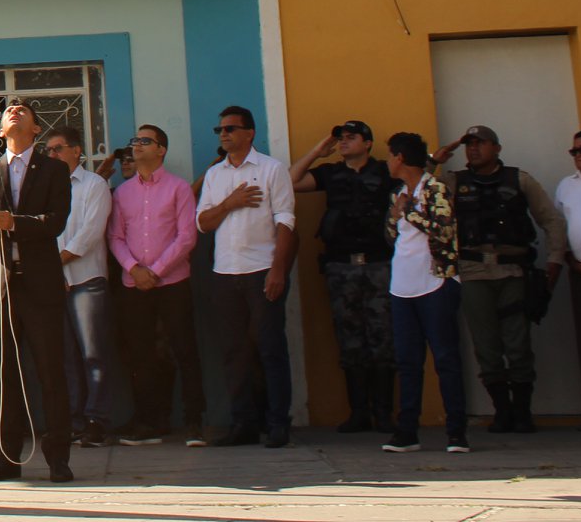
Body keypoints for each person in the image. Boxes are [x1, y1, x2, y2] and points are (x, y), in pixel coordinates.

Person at [431, 124, 569, 434]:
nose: (474, 149)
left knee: (518, 343)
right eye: (469, 145)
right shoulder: (454, 182)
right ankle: (502, 411)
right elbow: (421, 193)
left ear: (497, 148)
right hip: (473, 272)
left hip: (513, 272)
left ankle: (522, 412)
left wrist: (555, 261)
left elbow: (551, 220)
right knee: (486, 346)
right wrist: (434, 160)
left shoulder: (519, 180)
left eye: (481, 143)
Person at [0, 100, 73, 483]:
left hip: (40, 281)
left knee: (50, 371)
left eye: (23, 109)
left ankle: (58, 457)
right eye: (8, 110)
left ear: (35, 129)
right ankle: (6, 457)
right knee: (3, 374)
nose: (14, 109)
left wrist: (15, 222)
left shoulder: (54, 169)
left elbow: (55, 221)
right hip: (0, 284)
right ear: (0, 131)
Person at [196, 104, 297, 450]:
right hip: (225, 273)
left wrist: (278, 269)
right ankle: (244, 424)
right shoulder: (215, 176)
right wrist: (231, 202)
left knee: (270, 348)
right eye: (220, 130)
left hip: (261, 272)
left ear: (249, 133)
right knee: (234, 352)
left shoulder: (271, 169)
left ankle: (278, 423)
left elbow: (286, 221)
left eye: (231, 129)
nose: (224, 134)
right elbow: (203, 223)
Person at [291, 119, 398, 434]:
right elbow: (290, 181)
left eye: (351, 138)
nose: (343, 142)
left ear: (367, 142)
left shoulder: (384, 172)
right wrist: (317, 152)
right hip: (342, 267)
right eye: (340, 138)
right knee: (350, 340)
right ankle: (359, 413)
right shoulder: (331, 173)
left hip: (380, 265)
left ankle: (383, 413)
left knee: (383, 339)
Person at [107, 125, 204, 447]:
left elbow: (187, 237)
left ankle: (195, 422)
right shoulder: (123, 193)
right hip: (134, 285)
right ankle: (148, 422)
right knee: (140, 354)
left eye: (144, 141)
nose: (136, 145)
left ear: (161, 149)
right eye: (134, 140)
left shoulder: (178, 189)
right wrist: (135, 269)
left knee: (184, 350)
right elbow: (115, 237)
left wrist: (156, 271)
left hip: (173, 282)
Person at [380, 132, 468, 454]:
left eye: (391, 155)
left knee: (445, 357)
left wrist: (409, 213)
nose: (388, 162)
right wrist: (396, 214)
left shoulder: (435, 188)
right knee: (407, 361)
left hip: (436, 282)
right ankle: (407, 432)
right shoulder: (398, 194)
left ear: (400, 157)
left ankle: (456, 432)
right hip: (403, 285)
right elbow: (391, 236)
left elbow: (445, 230)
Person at [46, 125, 113, 448]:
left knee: (92, 354)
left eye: (58, 148)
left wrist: (55, 262)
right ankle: (74, 420)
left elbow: (90, 232)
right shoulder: (46, 187)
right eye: (49, 150)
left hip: (86, 278)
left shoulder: (94, 185)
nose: (52, 155)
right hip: (56, 282)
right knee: (67, 356)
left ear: (76, 151)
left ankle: (96, 420)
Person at [558, 128, 581, 431]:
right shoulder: (566, 188)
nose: (578, 155)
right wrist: (571, 261)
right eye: (574, 151)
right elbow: (561, 232)